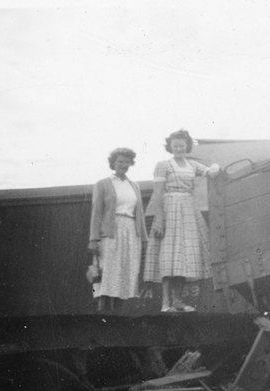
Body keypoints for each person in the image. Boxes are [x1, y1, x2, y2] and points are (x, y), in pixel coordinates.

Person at [143, 129, 220, 312]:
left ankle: (178, 301)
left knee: (184, 257)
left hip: (188, 209)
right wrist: (159, 219)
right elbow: (159, 193)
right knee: (168, 256)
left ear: (187, 146)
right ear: (170, 147)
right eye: (175, 145)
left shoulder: (192, 165)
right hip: (169, 209)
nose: (178, 148)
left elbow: (210, 172)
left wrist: (215, 167)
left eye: (182, 145)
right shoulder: (163, 165)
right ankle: (165, 303)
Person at [88, 147, 147, 313]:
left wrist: (143, 238)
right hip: (110, 232)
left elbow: (139, 214)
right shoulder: (102, 184)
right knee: (106, 272)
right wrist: (93, 239)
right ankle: (101, 312)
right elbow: (97, 213)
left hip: (130, 231)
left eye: (127, 162)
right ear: (113, 163)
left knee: (125, 271)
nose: (123, 165)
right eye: (120, 161)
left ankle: (118, 314)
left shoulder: (134, 186)